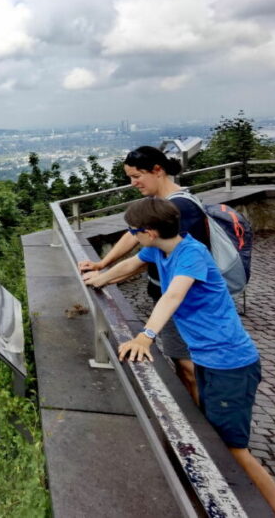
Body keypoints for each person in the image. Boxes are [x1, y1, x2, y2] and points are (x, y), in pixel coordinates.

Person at [83, 197, 275, 517]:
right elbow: (132, 264)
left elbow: (174, 294)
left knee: (234, 451)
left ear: (149, 231)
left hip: (230, 363)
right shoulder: (160, 248)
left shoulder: (191, 254)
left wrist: (145, 336)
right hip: (210, 360)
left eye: (134, 231)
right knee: (216, 439)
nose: (132, 236)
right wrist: (99, 276)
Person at [78, 146, 208, 404]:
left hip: (185, 301)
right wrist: (102, 264)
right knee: (182, 364)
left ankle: (206, 430)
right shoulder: (160, 204)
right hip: (169, 297)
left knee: (190, 367)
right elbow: (133, 235)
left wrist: (145, 336)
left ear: (157, 171)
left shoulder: (181, 208)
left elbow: (144, 258)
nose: (133, 183)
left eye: (137, 176)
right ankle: (195, 415)